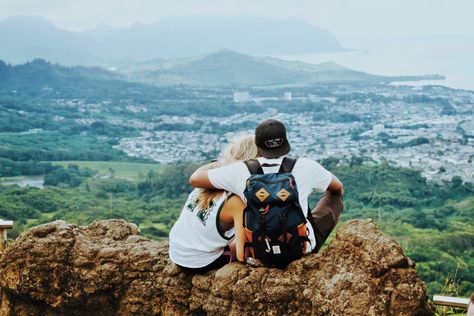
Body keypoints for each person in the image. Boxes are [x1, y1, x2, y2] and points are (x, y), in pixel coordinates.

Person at [189, 119, 344, 254]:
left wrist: (220, 163)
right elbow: (337, 188)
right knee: (334, 198)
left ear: (258, 145)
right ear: (285, 141)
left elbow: (195, 179)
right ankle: (306, 242)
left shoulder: (240, 170)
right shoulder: (307, 166)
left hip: (260, 251)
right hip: (300, 248)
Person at [169, 134, 258, 273]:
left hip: (176, 252)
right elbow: (241, 255)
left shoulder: (205, 181)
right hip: (199, 262)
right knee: (244, 244)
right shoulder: (237, 202)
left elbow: (197, 174)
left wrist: (223, 164)